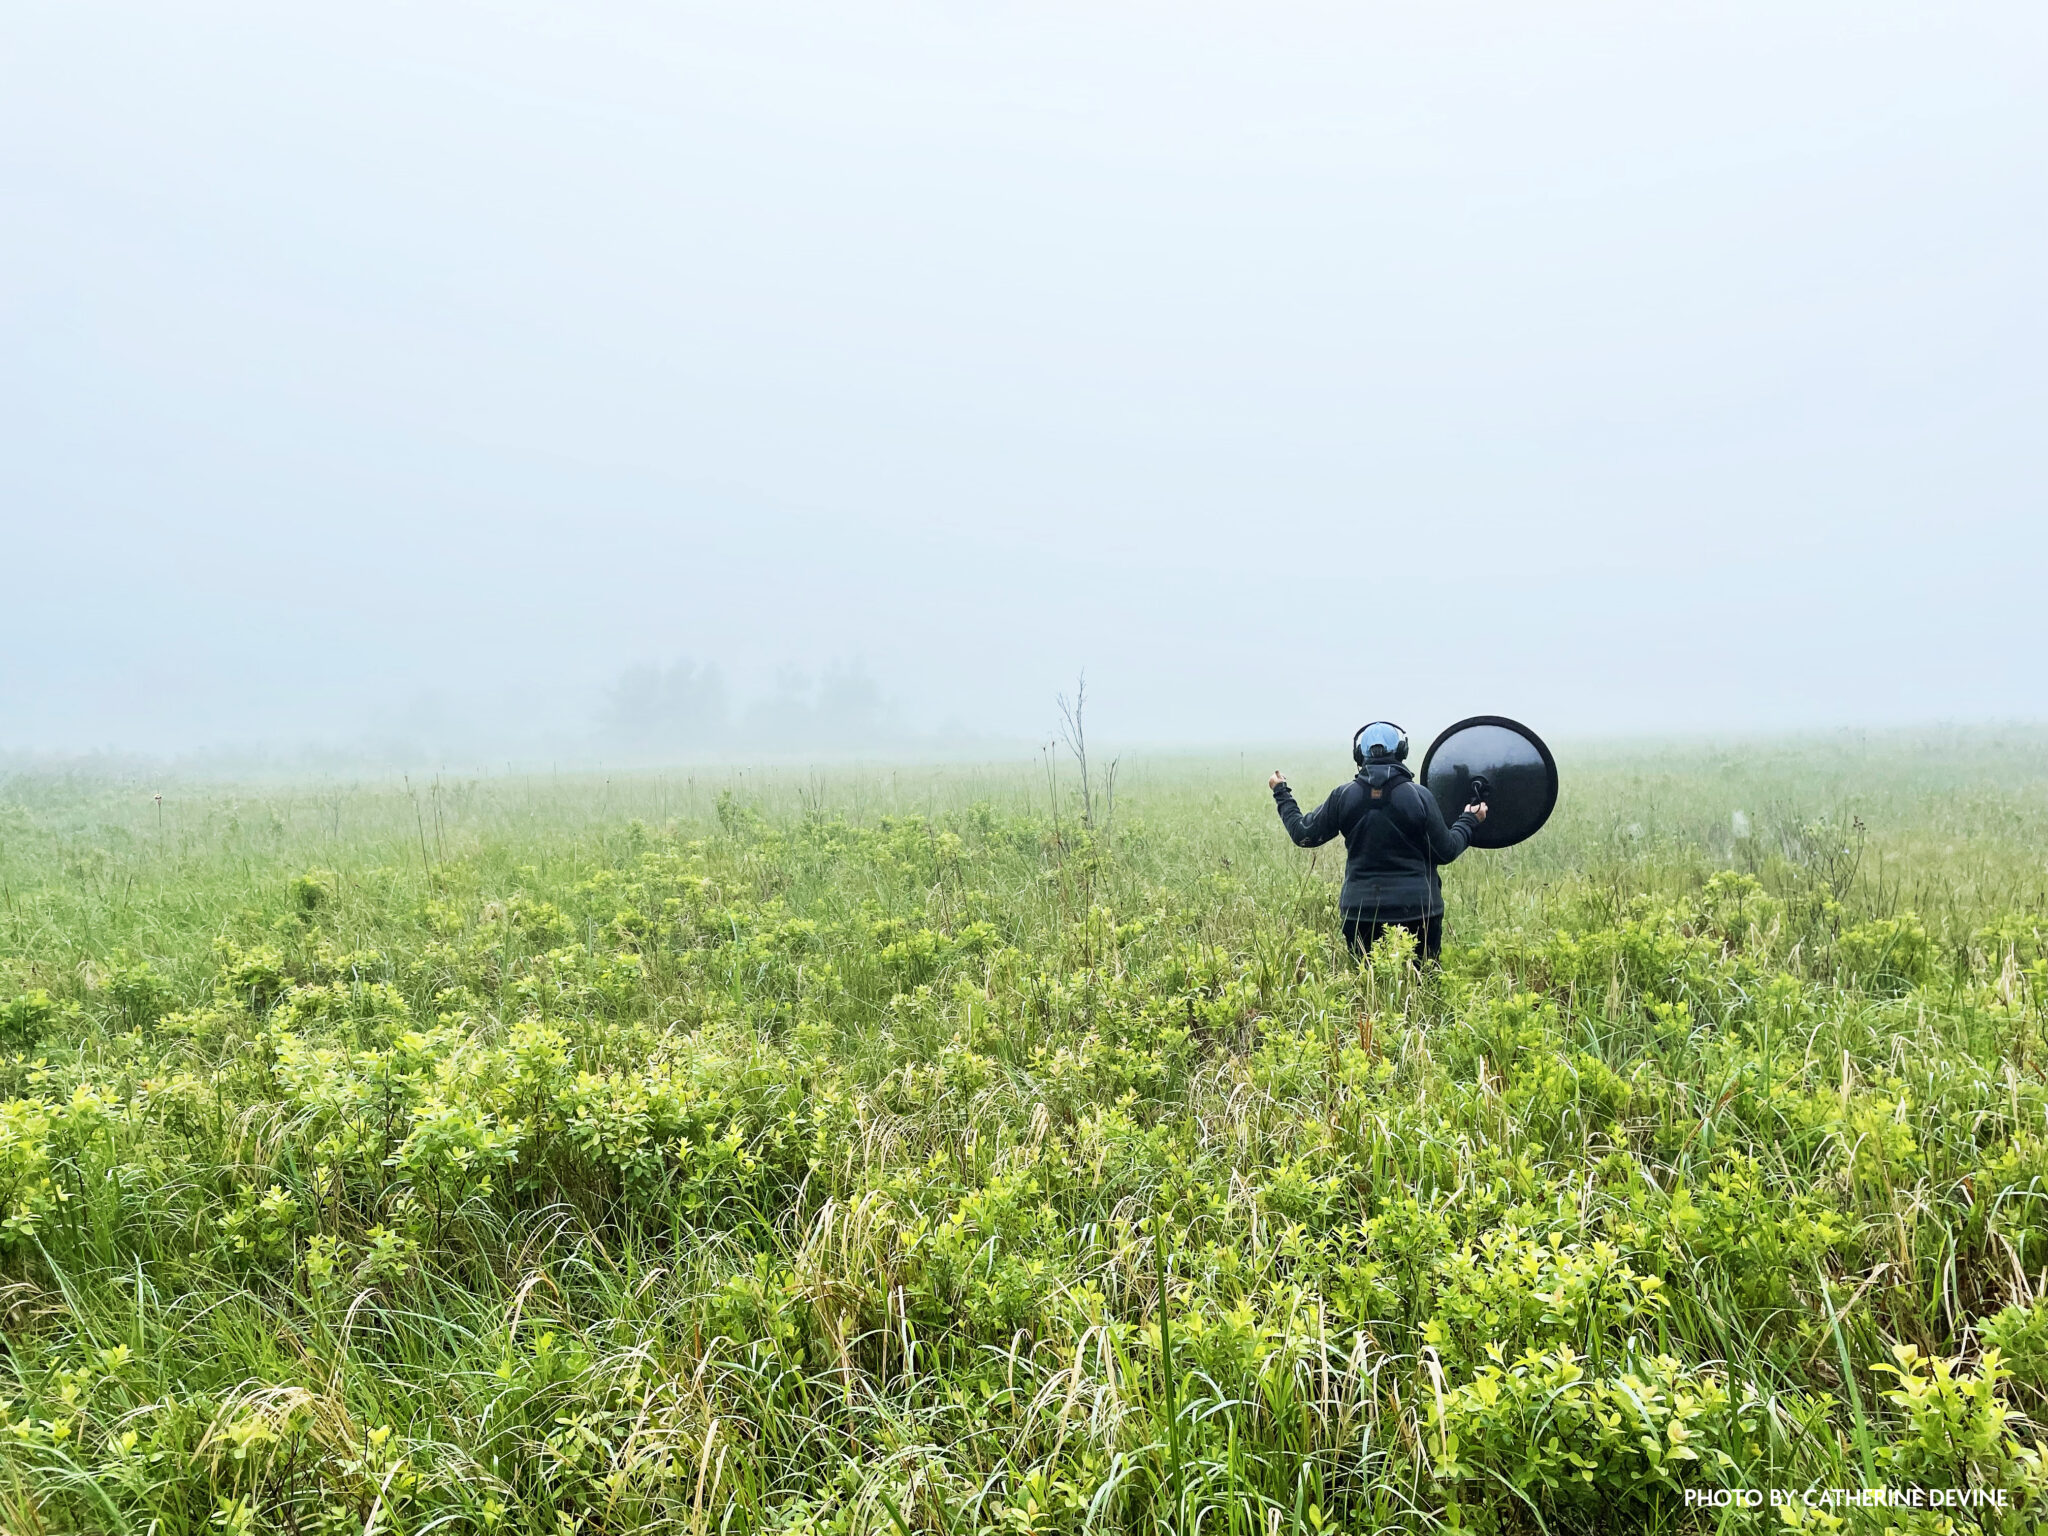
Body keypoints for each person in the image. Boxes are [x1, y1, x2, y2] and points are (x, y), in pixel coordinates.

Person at [1267, 721, 1487, 963]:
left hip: (1360, 914)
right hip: (1419, 912)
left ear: (1359, 754)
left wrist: (1282, 792)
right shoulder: (1419, 796)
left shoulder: (1343, 796)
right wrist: (1468, 821)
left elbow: (1304, 834)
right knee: (1424, 988)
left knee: (1367, 989)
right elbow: (1446, 851)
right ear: (1402, 752)